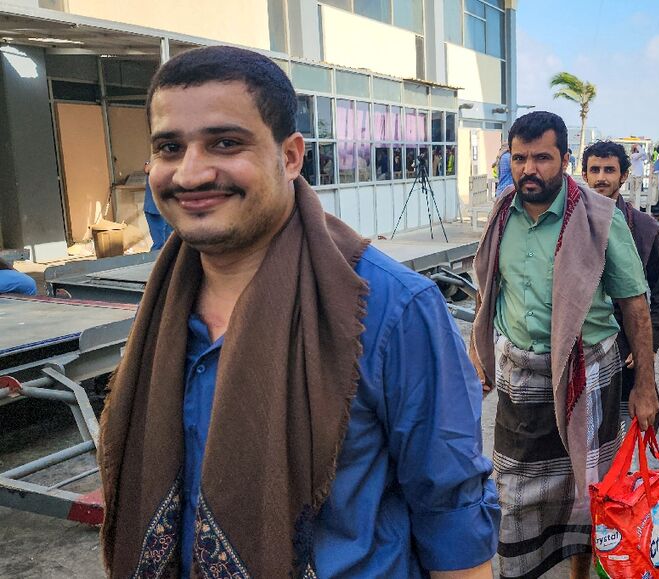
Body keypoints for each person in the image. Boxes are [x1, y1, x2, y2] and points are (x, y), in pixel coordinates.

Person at [98, 46, 498, 579]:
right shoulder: (162, 308)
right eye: (170, 147)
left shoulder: (389, 310)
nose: (190, 174)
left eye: (224, 143)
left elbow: (452, 513)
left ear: (290, 156)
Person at [469, 113, 658, 579]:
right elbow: (490, 287)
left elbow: (635, 305)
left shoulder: (599, 216)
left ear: (566, 159)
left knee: (588, 493)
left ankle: (580, 575)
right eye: (519, 158)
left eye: (541, 158)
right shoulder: (501, 212)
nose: (528, 168)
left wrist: (646, 387)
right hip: (522, 379)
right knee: (513, 494)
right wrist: (480, 352)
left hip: (588, 376)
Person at [582, 141, 659, 431]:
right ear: (584, 175)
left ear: (623, 176)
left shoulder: (643, 226)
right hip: (582, 348)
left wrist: (650, 343)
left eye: (609, 170)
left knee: (623, 430)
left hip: (625, 349)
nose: (601, 178)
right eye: (594, 170)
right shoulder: (571, 223)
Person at [143, 160, 174, 251]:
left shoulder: (155, 165)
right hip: (156, 209)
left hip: (163, 209)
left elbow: (146, 168)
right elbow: (147, 168)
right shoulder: (159, 166)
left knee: (167, 242)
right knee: (161, 243)